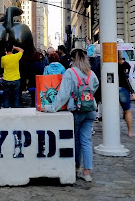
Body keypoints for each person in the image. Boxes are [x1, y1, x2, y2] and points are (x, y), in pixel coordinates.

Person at [41, 49, 99, 182]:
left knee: (77, 140)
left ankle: (77, 167)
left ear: (72, 59)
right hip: (90, 110)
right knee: (87, 140)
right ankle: (87, 172)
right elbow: (95, 86)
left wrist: (51, 108)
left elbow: (63, 95)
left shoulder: (70, 72)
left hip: (77, 110)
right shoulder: (90, 73)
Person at [0, 43, 24, 108]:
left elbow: (2, 66)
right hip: (16, 79)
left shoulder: (3, 58)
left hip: (6, 79)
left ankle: (6, 109)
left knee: (6, 97)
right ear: (12, 50)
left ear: (5, 50)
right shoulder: (16, 56)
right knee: (16, 96)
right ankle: (16, 109)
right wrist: (14, 47)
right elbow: (22, 50)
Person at [118, 57, 135, 137]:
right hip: (123, 87)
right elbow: (126, 78)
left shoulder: (106, 63)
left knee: (109, 111)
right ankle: (130, 131)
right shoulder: (124, 65)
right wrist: (132, 91)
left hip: (110, 88)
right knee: (127, 110)